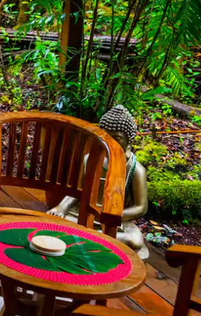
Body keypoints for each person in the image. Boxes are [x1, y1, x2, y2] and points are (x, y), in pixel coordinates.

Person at [47, 105, 149, 258]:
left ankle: (84, 237)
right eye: (107, 138)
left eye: (117, 138)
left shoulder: (136, 170)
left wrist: (113, 215)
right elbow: (78, 191)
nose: (111, 143)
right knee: (52, 220)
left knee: (134, 241)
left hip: (114, 222)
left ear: (129, 140)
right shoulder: (91, 159)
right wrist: (61, 207)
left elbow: (140, 207)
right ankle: (92, 238)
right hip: (84, 214)